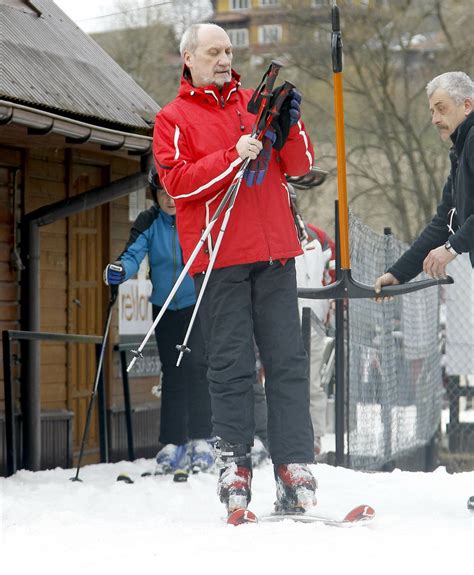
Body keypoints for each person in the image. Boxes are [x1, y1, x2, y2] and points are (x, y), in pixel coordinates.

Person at [153, 23, 317, 516]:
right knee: (230, 365)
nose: (224, 58)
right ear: (189, 59)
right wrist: (231, 156)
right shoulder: (173, 118)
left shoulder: (255, 101)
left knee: (287, 360)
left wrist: (288, 130)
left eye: (228, 50)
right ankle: (235, 462)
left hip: (274, 250)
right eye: (213, 51)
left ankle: (293, 462)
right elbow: (178, 184)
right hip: (220, 256)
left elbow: (301, 164)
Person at [104, 167, 214, 476]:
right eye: (162, 192)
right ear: (155, 195)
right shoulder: (149, 221)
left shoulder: (196, 217)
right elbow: (133, 254)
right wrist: (119, 271)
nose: (169, 199)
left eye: (174, 191)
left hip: (195, 304)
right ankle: (172, 442)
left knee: (196, 369)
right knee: (173, 372)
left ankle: (202, 439)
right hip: (164, 308)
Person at [375, 71, 474, 293]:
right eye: (432, 111)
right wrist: (397, 274)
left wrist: (452, 247)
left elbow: (450, 237)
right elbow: (443, 223)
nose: (435, 119)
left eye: (441, 108)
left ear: (467, 106)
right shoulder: (460, 151)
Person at [289, 184, 335, 458]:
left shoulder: (317, 237)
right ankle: (284, 437)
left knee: (314, 383)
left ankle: (315, 437)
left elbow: (332, 274)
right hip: (282, 321)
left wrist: (328, 308)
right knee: (280, 380)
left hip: (314, 322)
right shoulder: (272, 234)